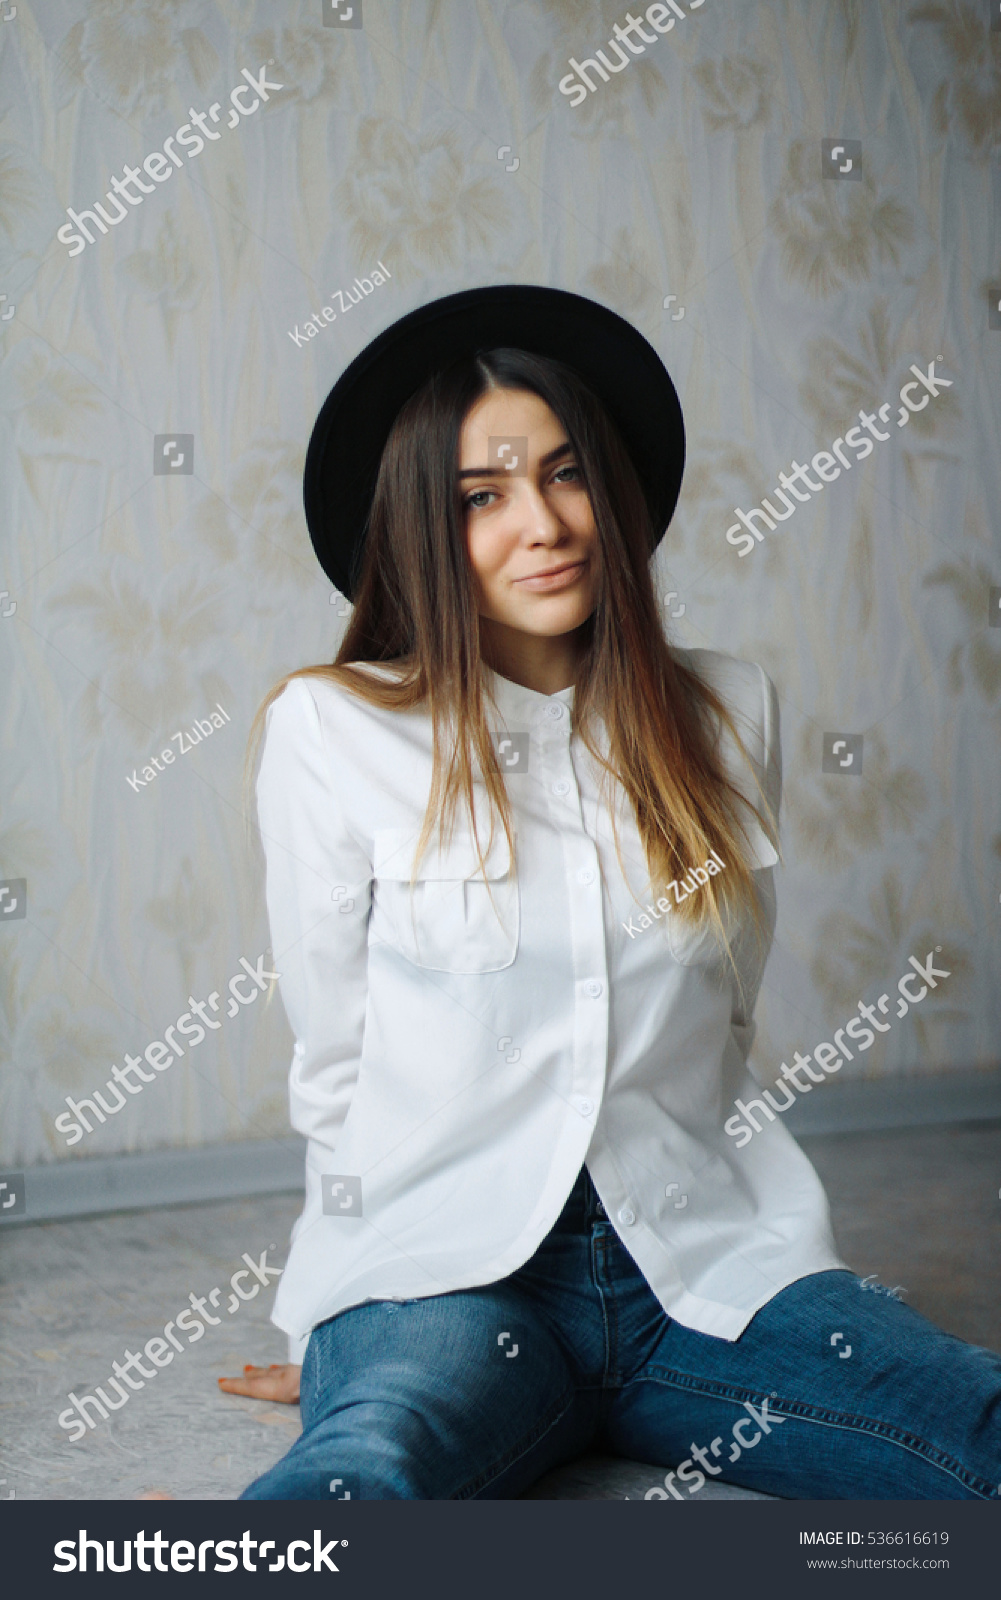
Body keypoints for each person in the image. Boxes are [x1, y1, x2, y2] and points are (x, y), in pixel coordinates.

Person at [219, 287, 1001, 1501]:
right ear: (425, 525)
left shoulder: (730, 713)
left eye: (567, 475)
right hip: (447, 1277)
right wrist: (335, 1317)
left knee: (971, 1413)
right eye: (482, 495)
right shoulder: (330, 728)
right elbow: (335, 1059)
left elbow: (723, 1022)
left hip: (705, 1268)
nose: (543, 523)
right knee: (363, 1474)